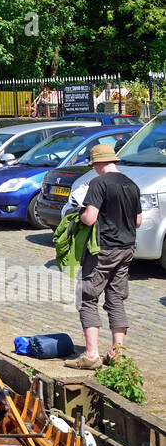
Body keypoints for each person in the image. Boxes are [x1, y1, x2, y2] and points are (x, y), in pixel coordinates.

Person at [68, 144, 142, 370]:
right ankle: (116, 353)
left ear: (98, 163)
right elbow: (138, 221)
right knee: (116, 298)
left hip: (104, 249)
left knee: (87, 297)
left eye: (93, 165)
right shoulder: (132, 184)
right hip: (127, 248)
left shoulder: (99, 183)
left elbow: (90, 219)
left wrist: (78, 215)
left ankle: (91, 355)